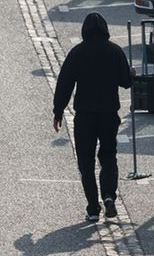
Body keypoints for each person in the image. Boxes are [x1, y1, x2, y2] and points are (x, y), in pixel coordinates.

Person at [52, 13, 133, 222]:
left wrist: (58, 111)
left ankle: (93, 208)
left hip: (85, 116)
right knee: (108, 156)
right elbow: (126, 82)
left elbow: (65, 83)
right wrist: (131, 73)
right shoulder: (114, 51)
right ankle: (109, 195)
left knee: (86, 162)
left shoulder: (78, 53)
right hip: (108, 114)